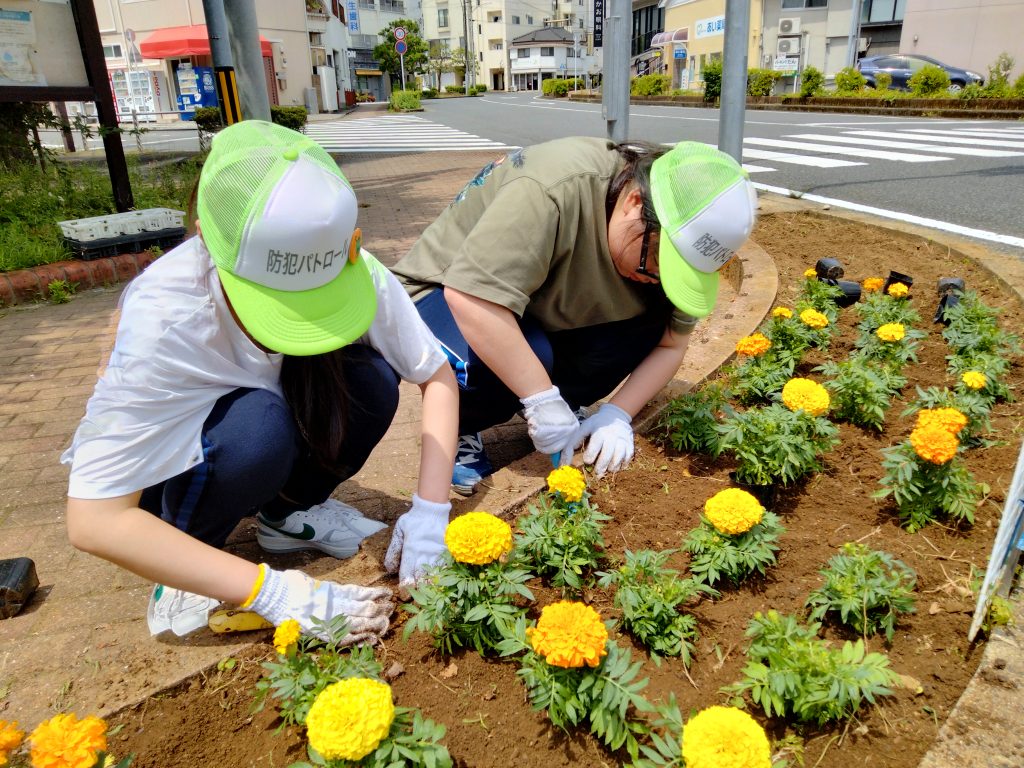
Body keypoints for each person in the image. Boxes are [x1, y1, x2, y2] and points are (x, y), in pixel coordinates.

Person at [62, 120, 458, 641]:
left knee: (372, 382)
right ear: (210, 243)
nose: (301, 326)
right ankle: (186, 563)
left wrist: (431, 511)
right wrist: (271, 592)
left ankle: (287, 518)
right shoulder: (167, 317)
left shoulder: (343, 259)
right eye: (281, 304)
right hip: (199, 455)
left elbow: (436, 374)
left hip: (268, 428)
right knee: (258, 428)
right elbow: (94, 520)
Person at [391, 138, 757, 494]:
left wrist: (618, 414)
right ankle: (462, 426)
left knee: (644, 322)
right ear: (633, 202)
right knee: (520, 360)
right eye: (657, 262)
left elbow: (671, 344)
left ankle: (552, 400)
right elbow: (472, 300)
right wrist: (539, 399)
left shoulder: (663, 244)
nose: (656, 278)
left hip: (535, 305)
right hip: (445, 293)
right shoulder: (552, 189)